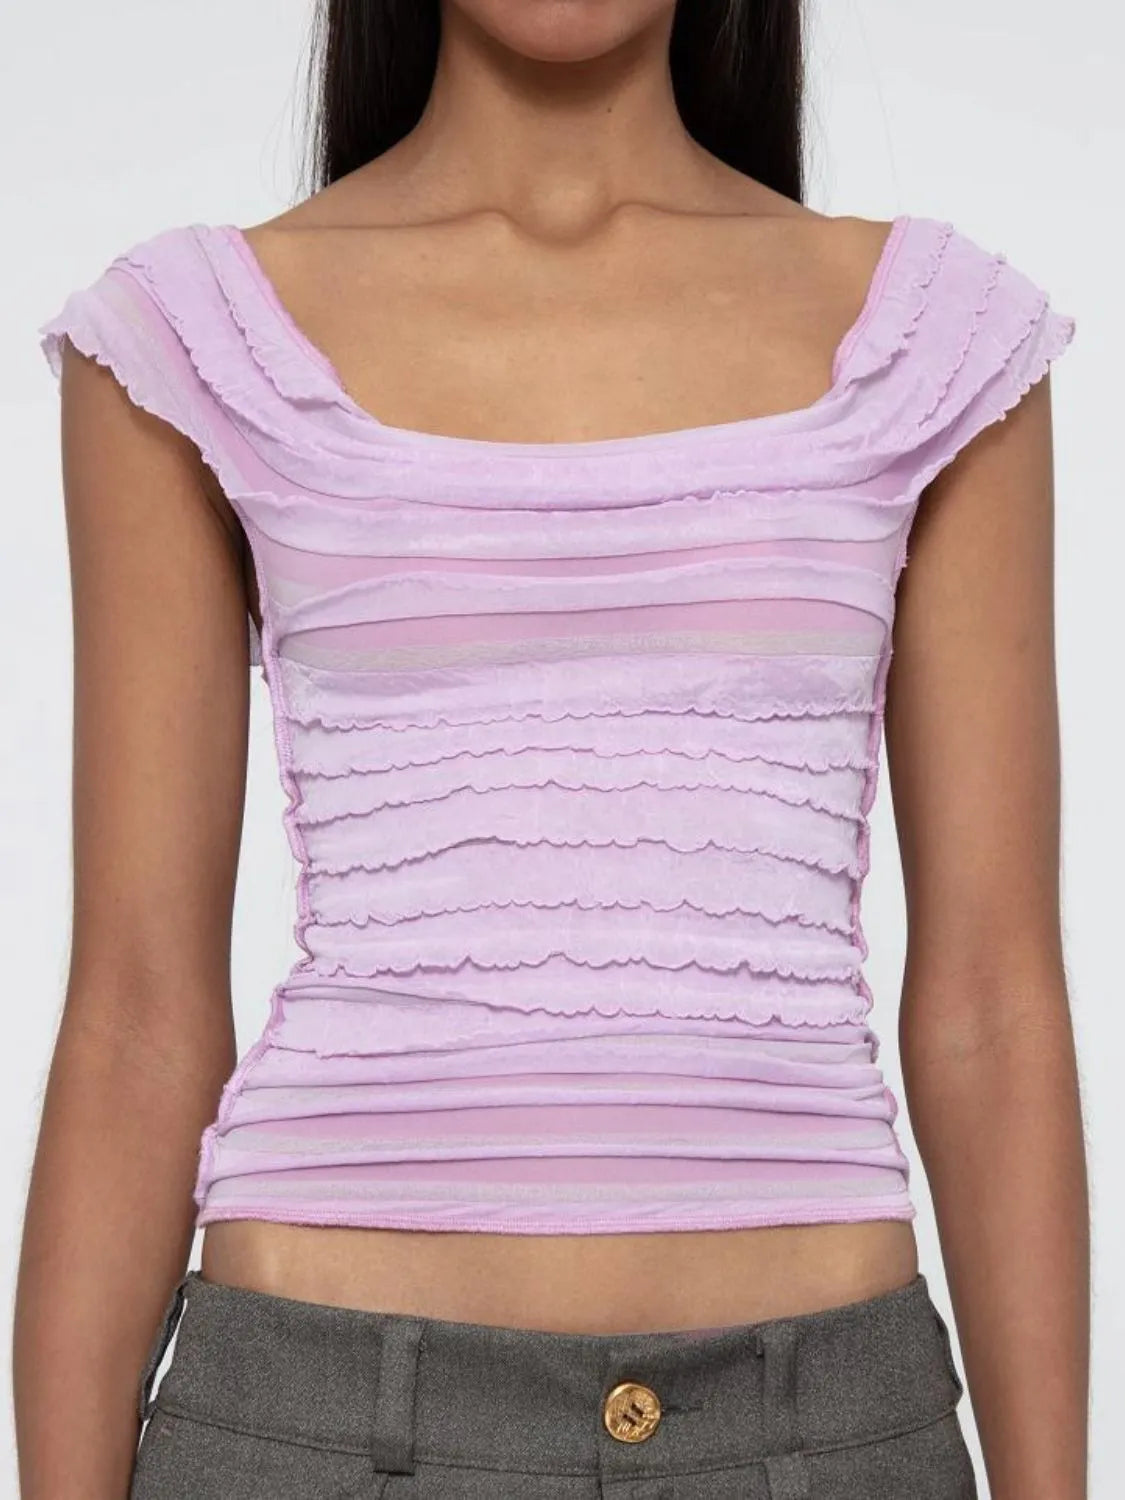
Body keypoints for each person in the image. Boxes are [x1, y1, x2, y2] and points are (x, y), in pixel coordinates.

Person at [14, 2, 1089, 1497]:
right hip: (313, 1421)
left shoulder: (936, 339)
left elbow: (991, 1002)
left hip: (822, 1428)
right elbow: (138, 1011)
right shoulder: (195, 336)